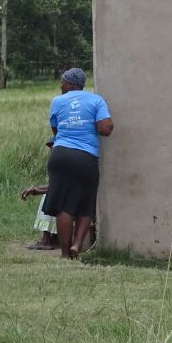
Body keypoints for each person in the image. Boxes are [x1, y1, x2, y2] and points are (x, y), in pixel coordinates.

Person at [45, 68, 113, 259]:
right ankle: (77, 245)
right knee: (86, 202)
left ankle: (66, 254)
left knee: (63, 206)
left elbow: (56, 130)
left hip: (60, 156)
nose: (60, 85)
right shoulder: (96, 100)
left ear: (70, 84)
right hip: (85, 157)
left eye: (62, 82)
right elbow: (105, 129)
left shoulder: (57, 102)